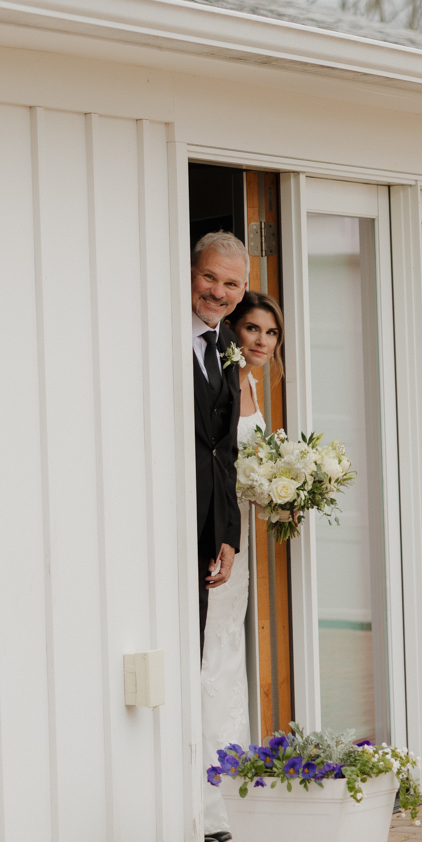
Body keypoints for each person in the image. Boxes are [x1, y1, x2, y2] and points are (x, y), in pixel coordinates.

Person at [201, 289, 285, 842]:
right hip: (220, 536)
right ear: (234, 328)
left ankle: (232, 798)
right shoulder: (225, 378)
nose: (260, 340)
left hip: (244, 541)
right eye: (252, 329)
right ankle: (208, 806)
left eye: (271, 332)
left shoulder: (255, 383)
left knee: (231, 656)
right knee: (212, 657)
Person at [191, 232, 249, 660]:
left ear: (243, 289)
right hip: (162, 524)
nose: (217, 292)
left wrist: (229, 534)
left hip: (208, 531)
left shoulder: (229, 345)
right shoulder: (156, 333)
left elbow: (224, 451)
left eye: (231, 284)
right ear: (191, 273)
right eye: (209, 277)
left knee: (193, 642)